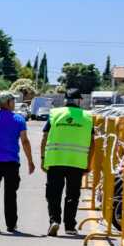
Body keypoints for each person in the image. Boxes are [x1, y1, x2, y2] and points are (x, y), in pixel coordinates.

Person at [0, 91, 36, 234]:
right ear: (8, 102)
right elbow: (24, 141)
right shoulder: (19, 119)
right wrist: (30, 161)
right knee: (10, 194)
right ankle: (11, 224)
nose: (14, 103)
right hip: (11, 162)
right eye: (13, 101)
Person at [41, 89, 94, 236]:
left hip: (55, 160)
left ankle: (54, 221)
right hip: (77, 162)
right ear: (79, 100)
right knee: (72, 195)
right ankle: (70, 226)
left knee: (53, 194)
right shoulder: (87, 117)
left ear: (65, 100)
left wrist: (42, 158)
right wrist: (89, 163)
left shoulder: (55, 114)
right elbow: (93, 143)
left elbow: (45, 137)